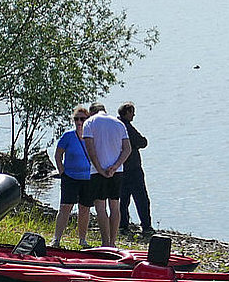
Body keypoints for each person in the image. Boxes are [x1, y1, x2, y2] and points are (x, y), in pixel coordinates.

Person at [82, 101, 132, 249]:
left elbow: (91, 150)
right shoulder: (118, 123)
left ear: (91, 112)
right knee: (115, 206)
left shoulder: (89, 123)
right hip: (117, 171)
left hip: (98, 171)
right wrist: (115, 166)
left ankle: (105, 242)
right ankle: (112, 242)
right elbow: (127, 149)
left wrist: (100, 168)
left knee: (100, 207)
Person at [51, 105, 95, 248]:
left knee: (84, 209)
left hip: (88, 179)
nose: (79, 122)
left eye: (82, 119)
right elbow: (58, 155)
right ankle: (56, 239)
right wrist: (62, 172)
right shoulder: (68, 136)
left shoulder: (92, 137)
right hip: (70, 177)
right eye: (76, 119)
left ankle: (82, 240)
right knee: (65, 207)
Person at [114, 102, 153, 238]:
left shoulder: (116, 126)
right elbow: (142, 142)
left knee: (123, 199)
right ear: (127, 112)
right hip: (133, 169)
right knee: (141, 198)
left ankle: (122, 225)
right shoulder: (127, 127)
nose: (134, 115)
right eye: (132, 112)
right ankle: (146, 226)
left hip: (120, 169)